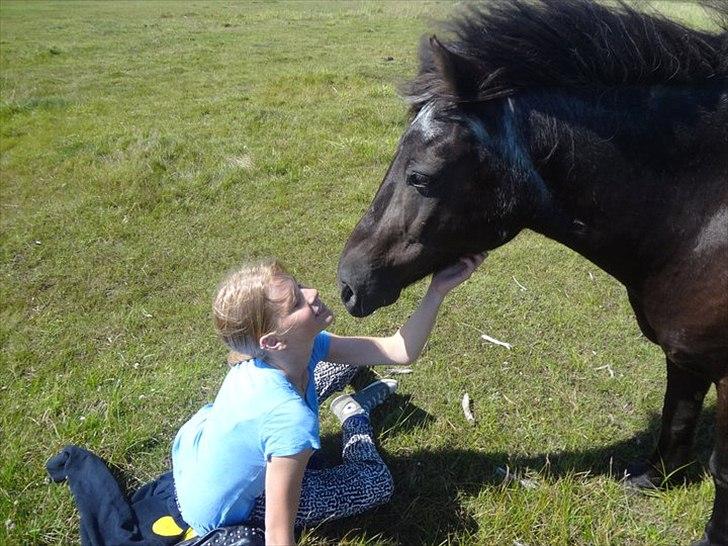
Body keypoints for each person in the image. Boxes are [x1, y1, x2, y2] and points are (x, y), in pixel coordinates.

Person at [171, 253, 485, 545]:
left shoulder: (270, 355)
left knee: (344, 358)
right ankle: (354, 414)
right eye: (296, 303)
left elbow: (398, 351)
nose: (312, 292)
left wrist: (437, 290)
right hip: (223, 513)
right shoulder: (291, 421)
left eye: (299, 286)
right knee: (376, 483)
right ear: (273, 340)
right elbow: (278, 532)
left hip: (195, 456)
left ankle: (347, 394)